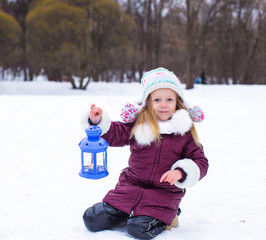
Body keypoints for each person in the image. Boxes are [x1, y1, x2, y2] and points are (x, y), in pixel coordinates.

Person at [80, 67, 208, 239]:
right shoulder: (139, 126)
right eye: (157, 100)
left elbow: (200, 161)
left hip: (163, 195)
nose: (163, 105)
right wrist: (97, 121)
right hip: (129, 188)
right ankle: (124, 212)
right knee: (92, 219)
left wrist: (180, 172)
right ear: (148, 102)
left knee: (138, 229)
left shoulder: (184, 133)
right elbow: (115, 133)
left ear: (177, 102)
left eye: (169, 99)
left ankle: (168, 217)